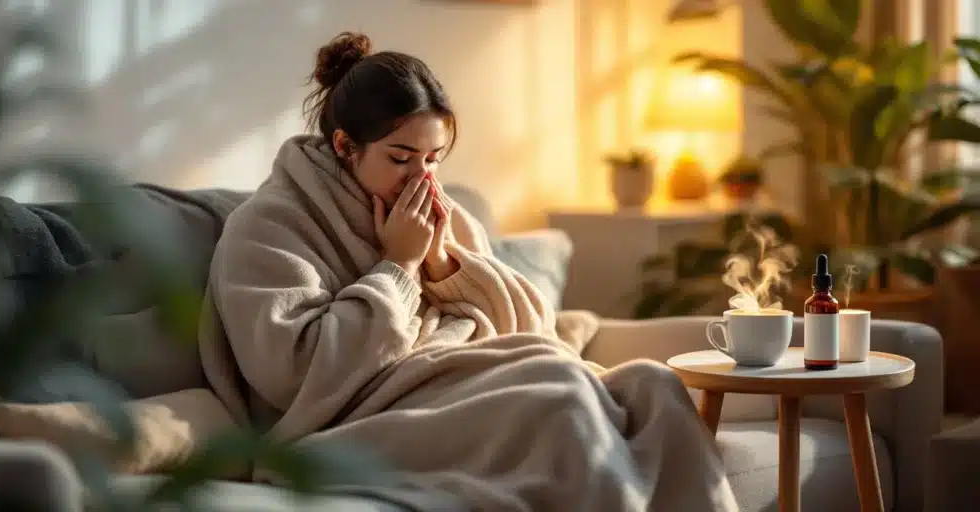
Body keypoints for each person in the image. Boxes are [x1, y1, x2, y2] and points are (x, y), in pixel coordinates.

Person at [198, 31, 739, 511]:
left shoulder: (439, 213)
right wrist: (399, 267)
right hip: (357, 419)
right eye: (402, 157)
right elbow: (294, 374)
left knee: (653, 384)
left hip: (462, 380)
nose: (422, 176)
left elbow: (530, 329)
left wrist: (444, 265)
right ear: (345, 146)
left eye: (434, 158)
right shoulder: (268, 228)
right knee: (559, 395)